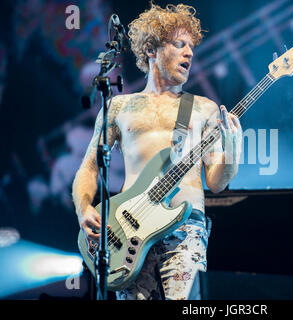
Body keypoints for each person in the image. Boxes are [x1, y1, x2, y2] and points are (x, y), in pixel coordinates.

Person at [71, 2, 243, 300]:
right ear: (151, 49)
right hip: (127, 232)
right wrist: (84, 209)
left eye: (191, 46)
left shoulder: (204, 108)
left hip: (185, 229)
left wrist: (233, 149)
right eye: (179, 44)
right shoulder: (119, 107)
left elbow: (217, 182)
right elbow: (88, 168)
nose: (189, 52)